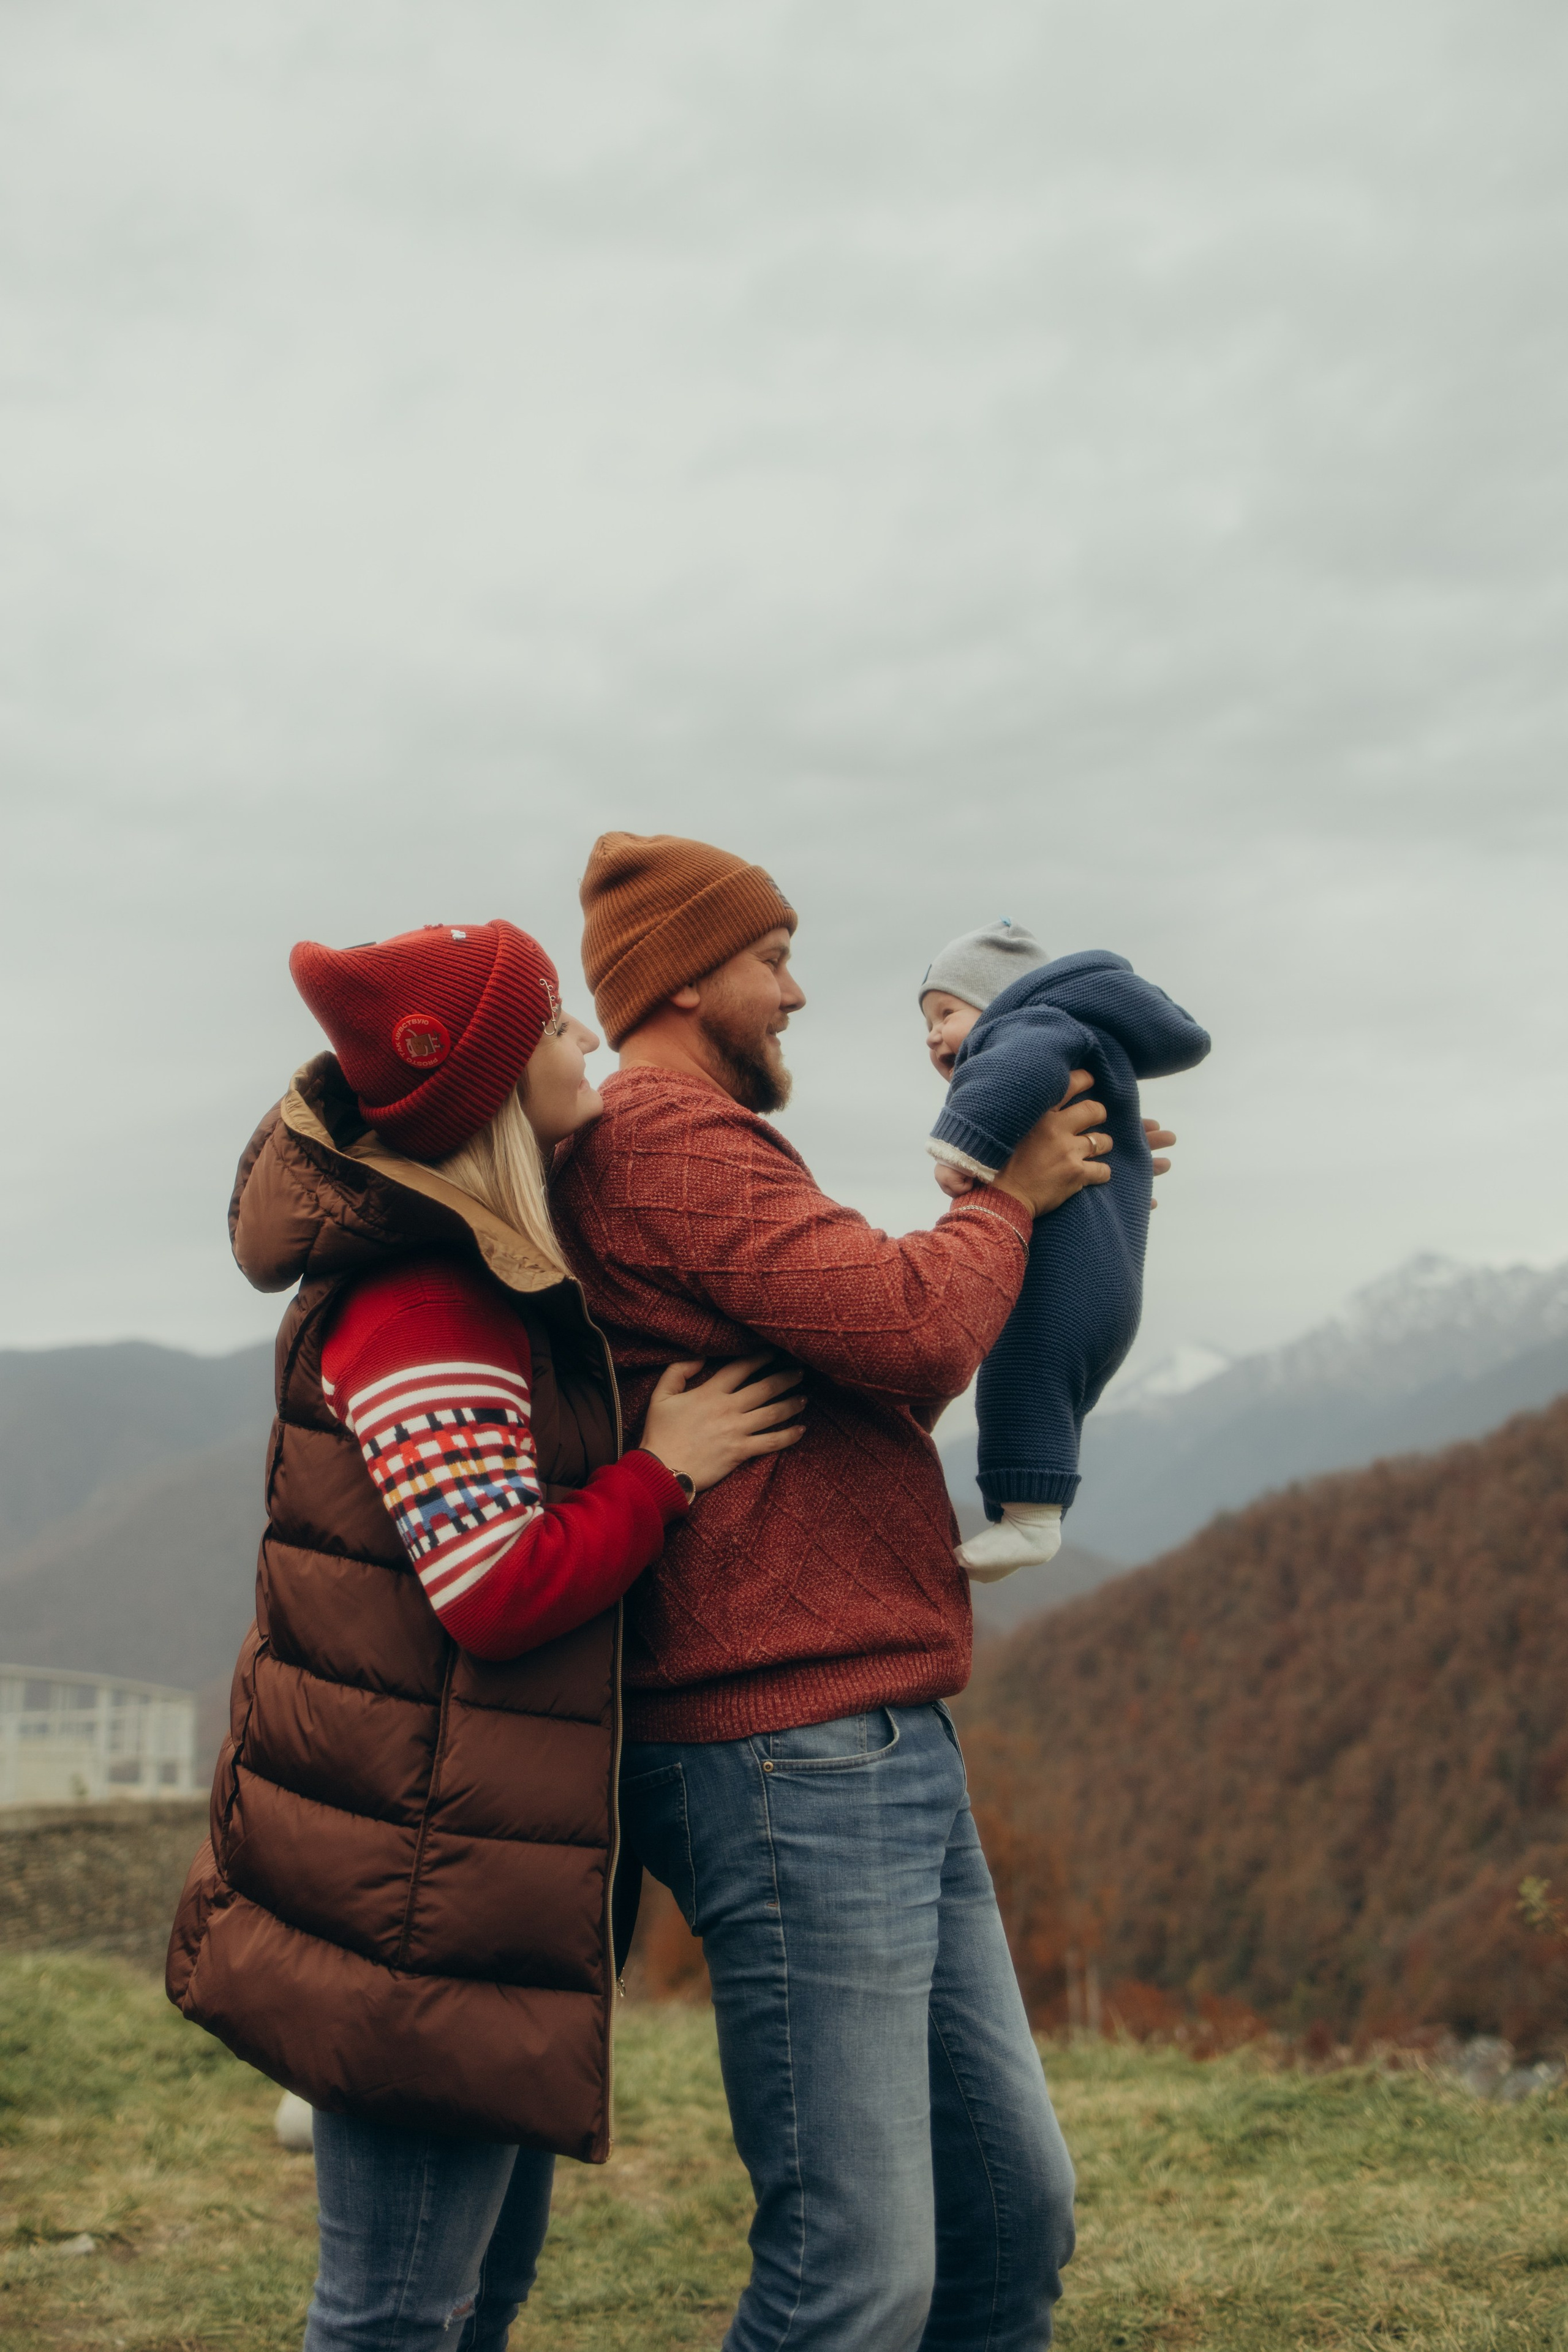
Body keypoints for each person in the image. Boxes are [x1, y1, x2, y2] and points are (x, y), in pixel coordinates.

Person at [551, 832, 1173, 2351]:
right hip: (783, 1742)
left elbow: (872, 1348)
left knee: (1006, 2215)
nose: (797, 991)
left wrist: (1060, 1204)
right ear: (687, 979)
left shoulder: (693, 1147)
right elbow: (905, 1329)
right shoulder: (665, 1144)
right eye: (772, 959)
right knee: (857, 2270)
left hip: (866, 1728)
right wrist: (1011, 1199)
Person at [165, 916, 802, 2352]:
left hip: (453, 1880)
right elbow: (491, 1585)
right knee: (396, 2312)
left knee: (468, 2299)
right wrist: (665, 1467)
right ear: (496, 1091)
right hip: (416, 1905)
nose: (591, 1042)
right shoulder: (427, 1311)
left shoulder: (477, 1277)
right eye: (559, 1026)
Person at [920, 919, 1210, 1578]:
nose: (934, 1035)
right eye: (926, 1024)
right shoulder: (1078, 1049)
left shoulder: (1029, 1029)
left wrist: (958, 1148)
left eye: (946, 1012)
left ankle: (1027, 1520)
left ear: (999, 1001)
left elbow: (1012, 1073)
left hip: (1065, 1282)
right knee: (1040, 1389)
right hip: (1102, 1284)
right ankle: (1028, 1516)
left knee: (1019, 1373)